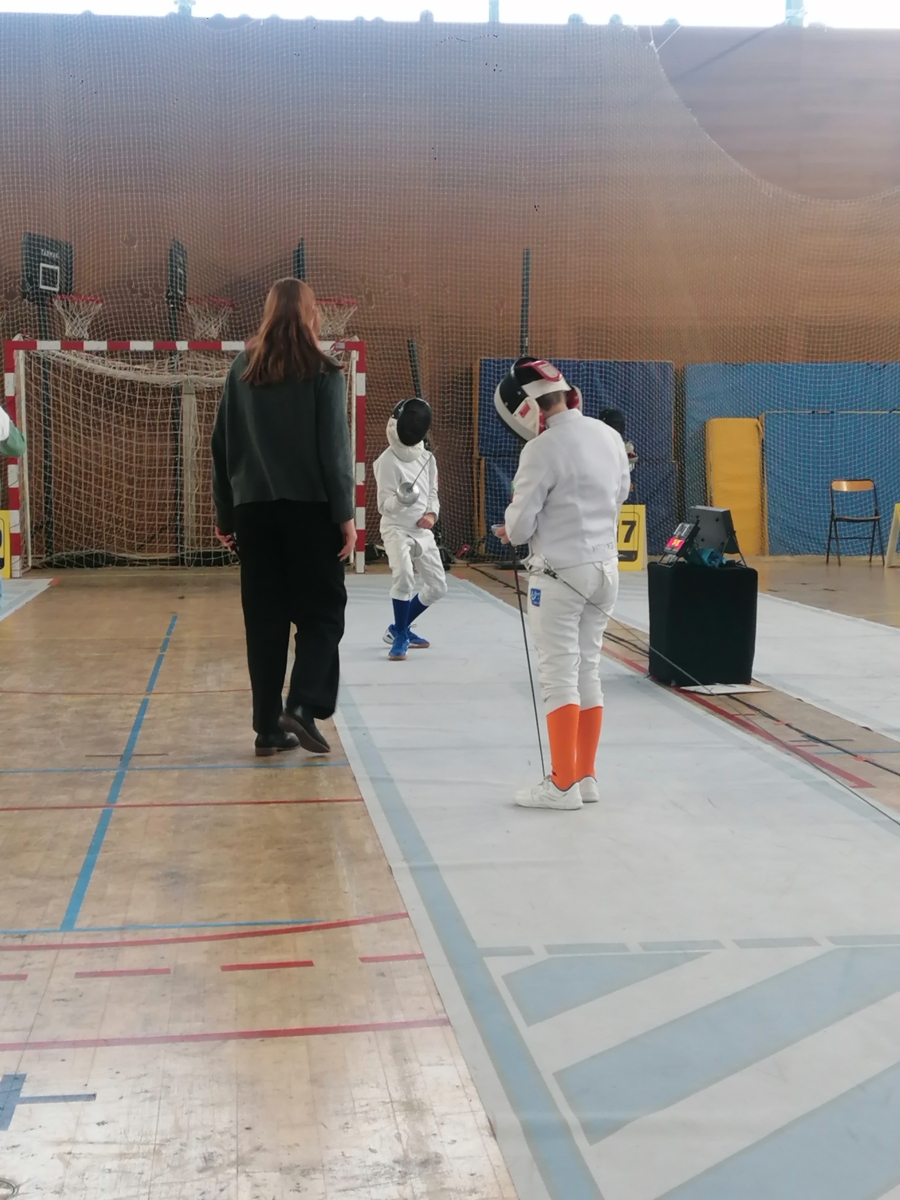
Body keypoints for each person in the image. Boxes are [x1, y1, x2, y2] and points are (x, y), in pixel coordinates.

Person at [211, 278, 356, 758]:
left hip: (253, 514)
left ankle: (267, 730)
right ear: (313, 315)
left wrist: (225, 513)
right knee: (324, 612)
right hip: (310, 511)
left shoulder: (242, 369)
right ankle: (302, 703)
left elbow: (220, 445)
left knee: (265, 622)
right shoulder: (324, 371)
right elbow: (334, 451)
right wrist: (345, 516)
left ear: (268, 313)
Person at [494, 357, 631, 810]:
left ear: (525, 407)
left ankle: (561, 785)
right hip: (605, 570)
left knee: (558, 675)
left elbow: (518, 529)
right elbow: (619, 494)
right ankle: (585, 776)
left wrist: (515, 527)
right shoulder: (608, 435)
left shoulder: (541, 449)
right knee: (588, 668)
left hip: (560, 575)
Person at [373, 397, 447, 660]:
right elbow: (384, 506)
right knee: (404, 577)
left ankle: (398, 628)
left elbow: (433, 493)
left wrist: (431, 514)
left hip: (421, 531)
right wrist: (400, 500)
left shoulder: (427, 458)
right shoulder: (386, 461)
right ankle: (401, 636)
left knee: (437, 587)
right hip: (396, 528)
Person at [598, 407, 637, 496]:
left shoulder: (623, 445)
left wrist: (627, 458)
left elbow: (627, 468)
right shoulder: (596, 441)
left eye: (618, 425)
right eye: (613, 424)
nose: (616, 428)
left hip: (613, 489)